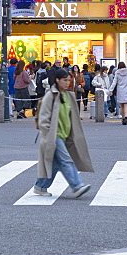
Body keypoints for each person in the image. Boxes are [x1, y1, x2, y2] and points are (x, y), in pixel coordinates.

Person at [33, 68, 93, 199]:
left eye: (69, 80)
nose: (67, 83)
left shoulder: (68, 95)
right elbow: (44, 118)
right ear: (57, 80)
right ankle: (77, 186)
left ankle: (40, 186)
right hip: (54, 135)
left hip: (65, 134)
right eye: (64, 80)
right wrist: (49, 134)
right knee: (66, 160)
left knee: (55, 163)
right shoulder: (51, 95)